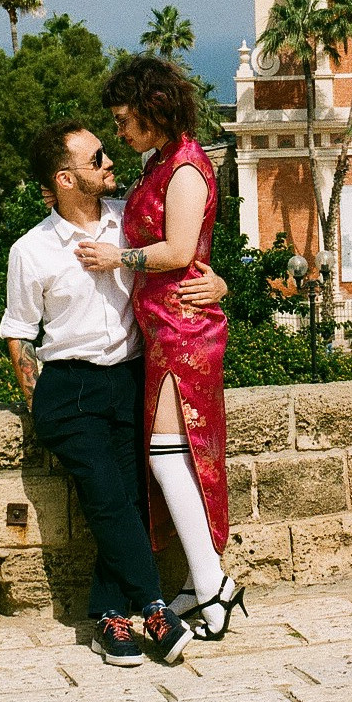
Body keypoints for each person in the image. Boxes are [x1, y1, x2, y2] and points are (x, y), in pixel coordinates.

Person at [0, 117, 227, 668]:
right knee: (106, 495)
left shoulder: (129, 224)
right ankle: (154, 606)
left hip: (128, 379)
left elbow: (178, 260)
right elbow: (19, 332)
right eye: (95, 159)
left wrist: (218, 283)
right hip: (71, 390)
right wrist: (41, 403)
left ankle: (106, 617)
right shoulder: (30, 251)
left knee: (126, 504)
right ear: (66, 179)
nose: (109, 164)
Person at [75, 55, 244, 641]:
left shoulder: (187, 169)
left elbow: (177, 250)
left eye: (124, 120)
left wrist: (117, 258)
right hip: (163, 326)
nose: (119, 133)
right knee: (174, 455)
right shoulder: (161, 164)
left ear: (152, 111)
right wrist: (215, 277)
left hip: (183, 330)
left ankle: (212, 583)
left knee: (170, 453)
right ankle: (206, 585)